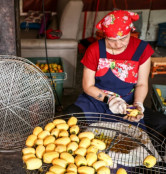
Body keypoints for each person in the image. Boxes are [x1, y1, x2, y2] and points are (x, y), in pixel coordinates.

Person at [62, 10, 166, 139]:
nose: (118, 44)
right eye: (111, 40)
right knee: (67, 118)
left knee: (161, 123)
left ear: (130, 32)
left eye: (123, 38)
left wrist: (138, 104)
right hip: (96, 102)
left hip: (128, 103)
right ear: (104, 35)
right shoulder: (94, 50)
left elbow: (142, 83)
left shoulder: (142, 49)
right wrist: (110, 100)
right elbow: (88, 86)